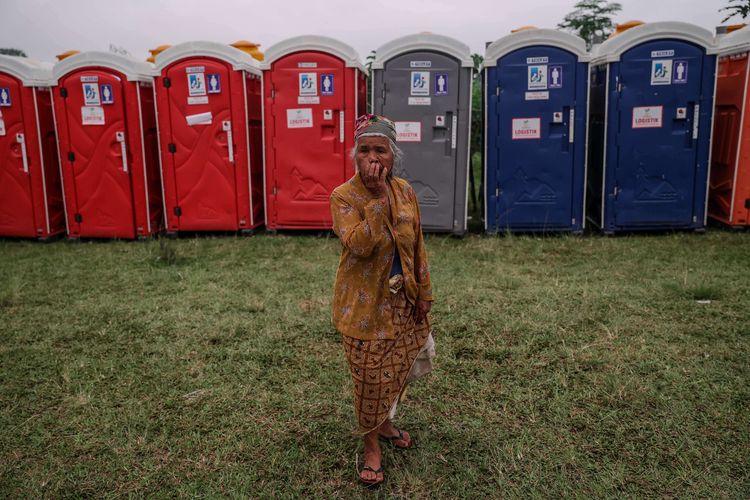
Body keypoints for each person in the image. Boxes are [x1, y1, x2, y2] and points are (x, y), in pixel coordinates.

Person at [329, 114, 435, 486]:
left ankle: (385, 422)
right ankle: (371, 446)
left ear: (393, 156)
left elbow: (417, 244)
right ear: (354, 156)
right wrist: (374, 200)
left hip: (403, 300)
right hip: (363, 311)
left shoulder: (404, 190)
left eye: (380, 150)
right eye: (364, 150)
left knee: (398, 368)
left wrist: (424, 292)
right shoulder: (343, 196)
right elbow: (359, 245)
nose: (372, 157)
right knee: (369, 380)